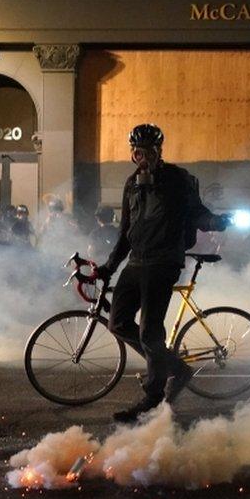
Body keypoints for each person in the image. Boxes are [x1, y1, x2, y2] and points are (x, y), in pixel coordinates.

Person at [93, 123, 231, 424]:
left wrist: (217, 221)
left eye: (149, 151)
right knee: (117, 322)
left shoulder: (178, 179)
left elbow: (197, 213)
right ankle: (175, 368)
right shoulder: (131, 184)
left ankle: (153, 398)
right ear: (132, 154)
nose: (143, 157)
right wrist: (109, 267)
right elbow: (125, 231)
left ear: (159, 151)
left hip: (164, 262)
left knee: (149, 332)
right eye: (138, 152)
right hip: (136, 262)